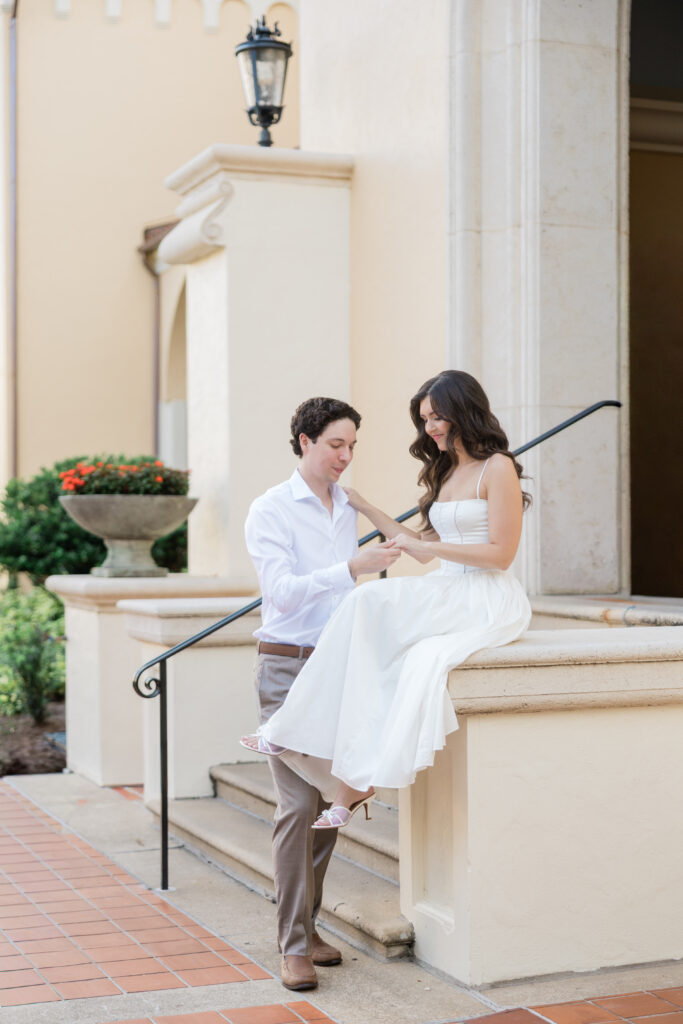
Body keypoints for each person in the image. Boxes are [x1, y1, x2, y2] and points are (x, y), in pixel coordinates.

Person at [249, 369, 532, 828]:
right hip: (450, 587)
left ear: (464, 410)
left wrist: (431, 548)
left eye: (437, 417)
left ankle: (301, 741)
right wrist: (363, 505)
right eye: (424, 420)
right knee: (372, 624)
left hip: (485, 595)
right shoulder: (447, 469)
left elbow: (501, 555)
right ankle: (352, 783)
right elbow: (416, 547)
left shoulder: (497, 466)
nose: (430, 429)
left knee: (371, 607)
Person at [242, 396, 400, 993]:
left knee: (332, 808)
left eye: (353, 445)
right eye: (337, 444)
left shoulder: (345, 506)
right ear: (305, 441)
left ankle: (307, 927)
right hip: (287, 670)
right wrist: (352, 568)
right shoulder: (272, 509)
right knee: (297, 810)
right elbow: (279, 595)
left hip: (342, 670)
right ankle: (292, 947)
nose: (346, 455)